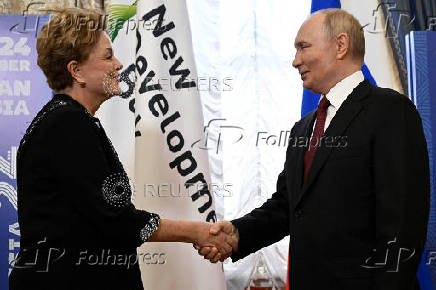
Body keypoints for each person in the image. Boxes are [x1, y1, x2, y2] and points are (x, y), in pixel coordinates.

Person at [197, 8, 430, 290]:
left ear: (341, 45)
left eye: (303, 47)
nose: (295, 61)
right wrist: (236, 233)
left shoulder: (390, 111)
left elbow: (402, 226)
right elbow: (287, 207)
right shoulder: (303, 127)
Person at [9, 8, 234, 290]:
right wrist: (197, 231)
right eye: (107, 56)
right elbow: (118, 221)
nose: (119, 64)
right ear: (76, 71)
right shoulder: (66, 124)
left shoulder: (67, 120)